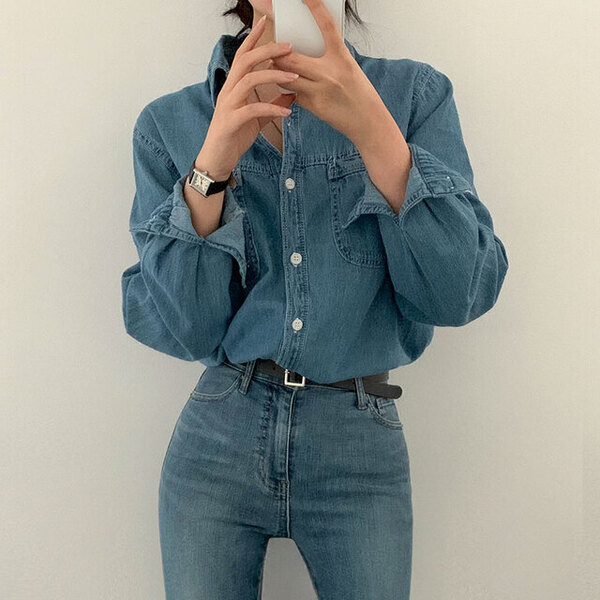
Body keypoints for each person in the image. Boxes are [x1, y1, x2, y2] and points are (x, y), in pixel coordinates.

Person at [120, 1, 509, 598]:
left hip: (359, 440)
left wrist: (375, 131)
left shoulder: (413, 97)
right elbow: (187, 328)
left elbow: (459, 294)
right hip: (219, 434)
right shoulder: (170, 123)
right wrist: (211, 165)